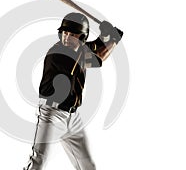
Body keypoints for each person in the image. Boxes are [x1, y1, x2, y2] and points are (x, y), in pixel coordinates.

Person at [23, 12, 123, 170]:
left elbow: (93, 48)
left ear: (82, 37)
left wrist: (108, 36)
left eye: (72, 34)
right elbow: (98, 56)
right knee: (38, 162)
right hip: (52, 114)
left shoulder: (80, 50)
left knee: (87, 166)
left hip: (73, 116)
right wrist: (112, 37)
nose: (66, 37)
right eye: (64, 33)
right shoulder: (58, 53)